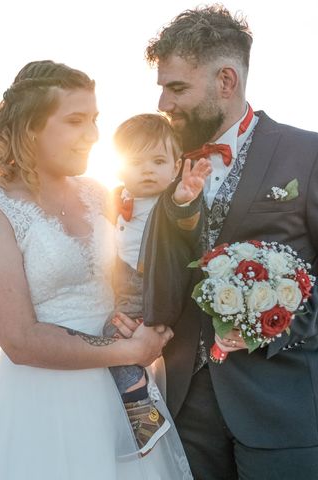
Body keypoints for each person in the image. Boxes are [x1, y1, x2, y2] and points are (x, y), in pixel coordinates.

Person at [126, 5, 318, 479]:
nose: (163, 104)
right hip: (185, 406)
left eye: (176, 88)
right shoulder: (165, 164)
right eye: (161, 88)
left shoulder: (312, 154)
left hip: (280, 407)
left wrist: (275, 320)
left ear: (227, 81)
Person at [0, 60, 192, 479]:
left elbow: (140, 264)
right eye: (75, 121)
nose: (93, 135)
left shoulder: (100, 194)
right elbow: (20, 339)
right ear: (30, 126)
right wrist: (128, 351)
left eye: (94, 120)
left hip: (125, 391)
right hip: (41, 399)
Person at [101, 114, 184, 454]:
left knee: (112, 340)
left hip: (153, 286)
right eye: (136, 162)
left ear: (176, 166)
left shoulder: (175, 202)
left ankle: (143, 414)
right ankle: (135, 407)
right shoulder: (116, 201)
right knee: (112, 335)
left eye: (159, 161)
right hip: (125, 287)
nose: (147, 170)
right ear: (118, 167)